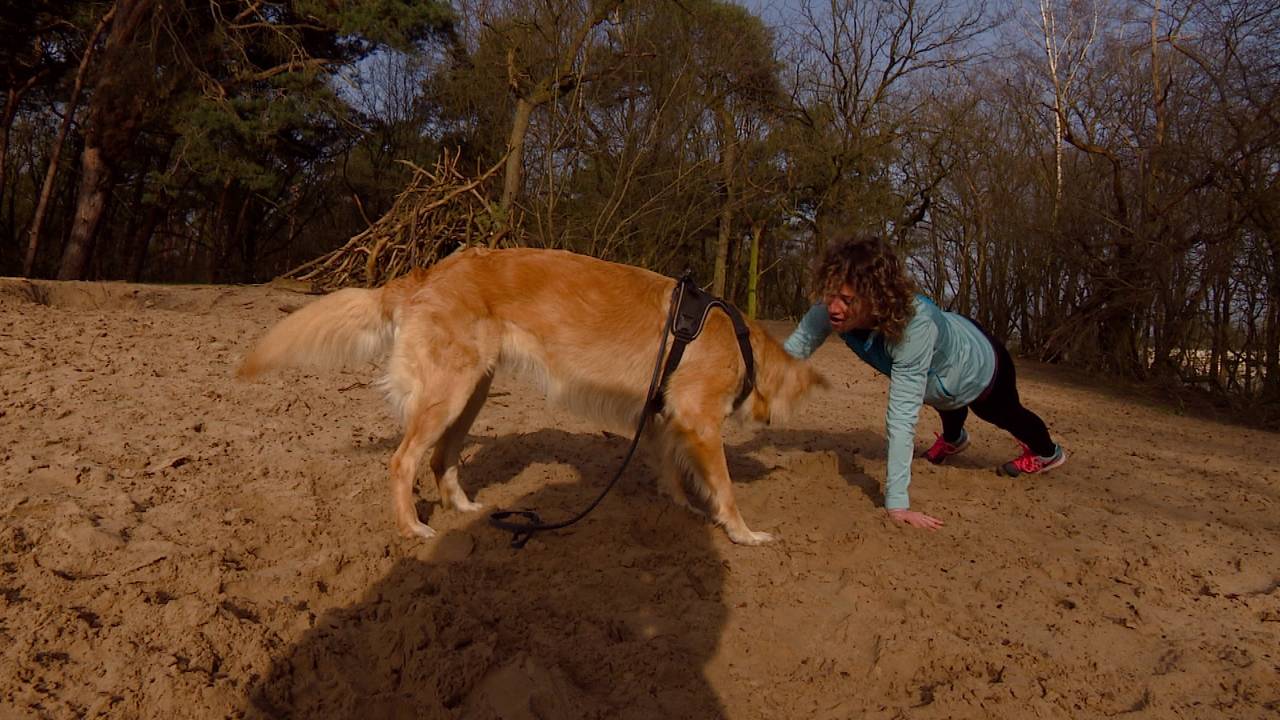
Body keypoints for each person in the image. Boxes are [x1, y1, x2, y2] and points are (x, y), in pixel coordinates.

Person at [783, 234, 1066, 530]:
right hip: (940, 372)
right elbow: (790, 354)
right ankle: (954, 440)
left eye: (847, 300)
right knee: (941, 397)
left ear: (875, 298)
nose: (833, 307)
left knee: (999, 412)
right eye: (831, 294)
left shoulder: (913, 329)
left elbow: (902, 417)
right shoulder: (830, 310)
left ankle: (1048, 453)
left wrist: (897, 505)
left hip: (982, 366)